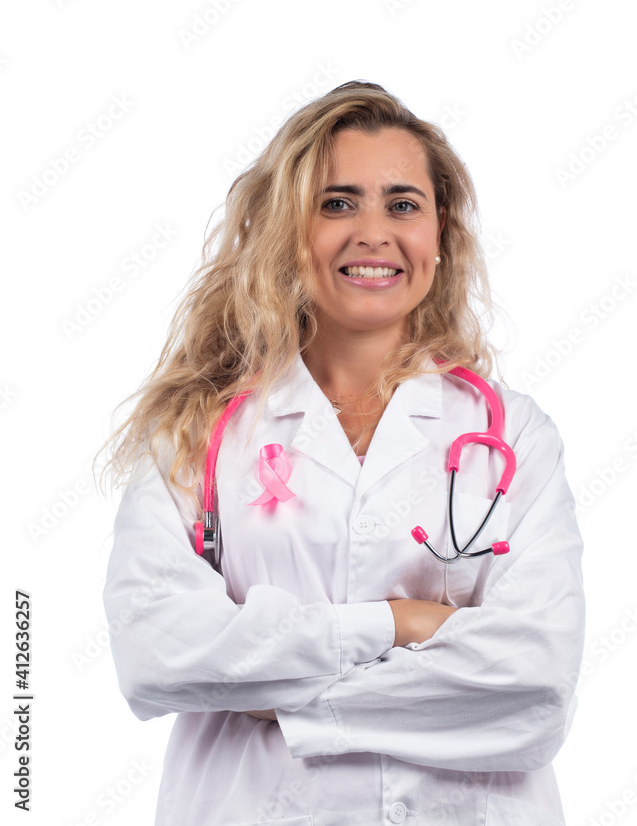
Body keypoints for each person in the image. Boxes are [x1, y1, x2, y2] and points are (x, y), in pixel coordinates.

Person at [99, 80, 585, 826]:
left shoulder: (514, 436)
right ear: (289, 231)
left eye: (401, 204)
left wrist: (278, 695)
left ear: (440, 232)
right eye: (336, 202)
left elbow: (533, 687)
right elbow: (157, 654)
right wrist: (399, 622)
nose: (372, 231)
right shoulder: (200, 433)